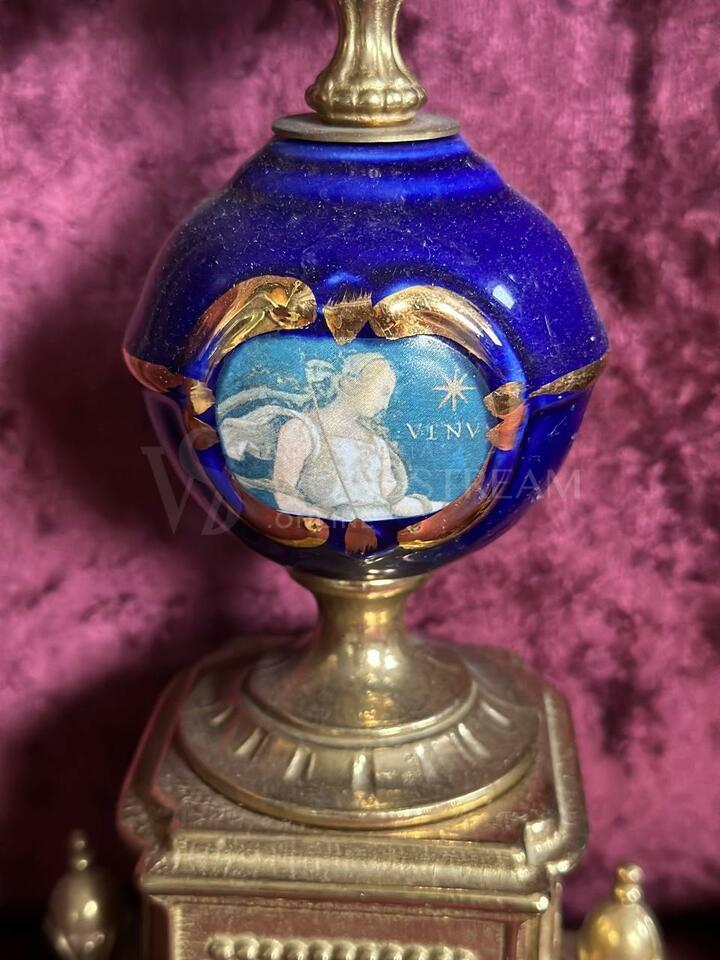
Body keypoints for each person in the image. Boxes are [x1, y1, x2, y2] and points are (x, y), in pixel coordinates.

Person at [218, 352, 442, 521]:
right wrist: (329, 520)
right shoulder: (301, 429)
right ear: (353, 384)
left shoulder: (375, 442)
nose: (385, 405)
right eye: (383, 393)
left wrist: (440, 507)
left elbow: (394, 502)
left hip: (381, 532)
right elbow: (285, 498)